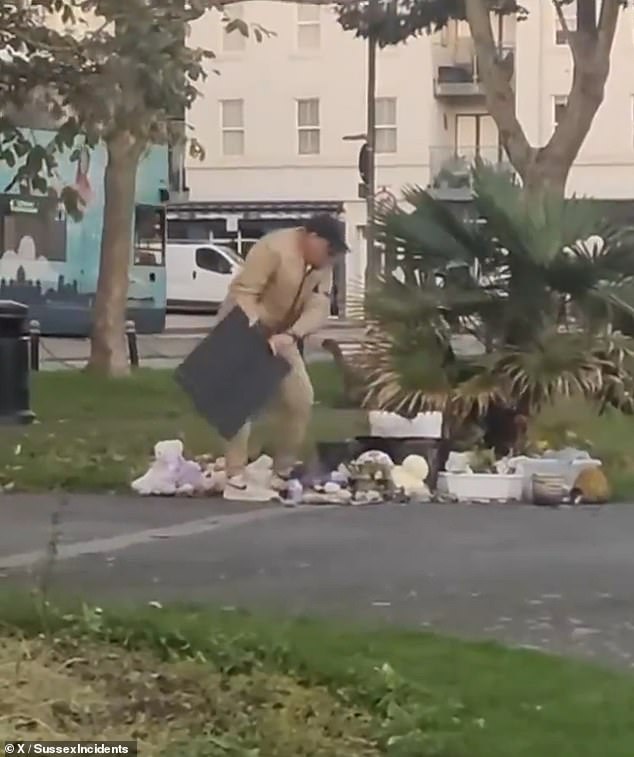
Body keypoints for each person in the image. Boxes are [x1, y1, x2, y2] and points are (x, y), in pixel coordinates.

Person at [217, 214, 348, 499]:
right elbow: (244, 292)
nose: (331, 259)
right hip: (243, 324)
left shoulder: (321, 264)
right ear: (312, 237)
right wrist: (255, 332)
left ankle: (282, 472)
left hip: (283, 333)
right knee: (241, 401)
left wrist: (293, 335)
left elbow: (319, 303)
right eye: (330, 250)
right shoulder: (273, 248)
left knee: (301, 398)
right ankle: (235, 476)